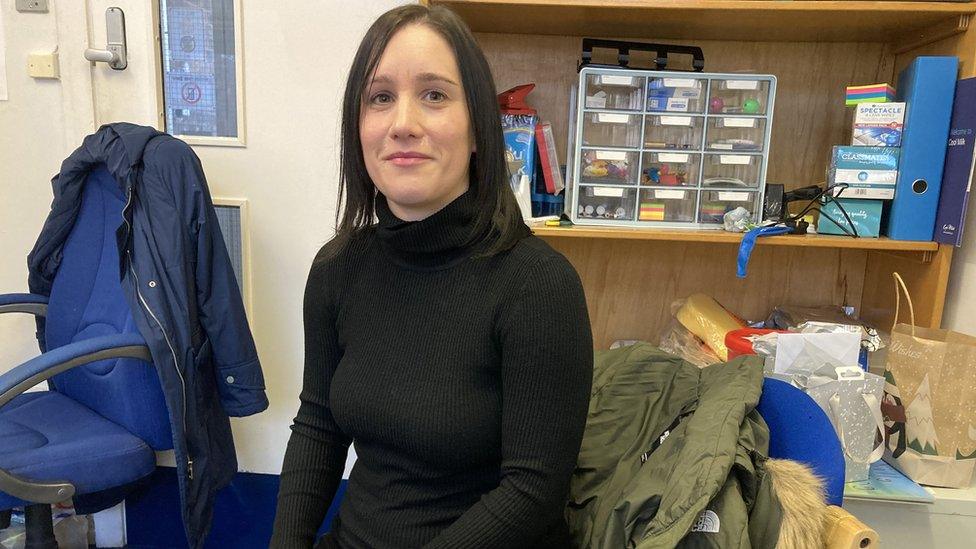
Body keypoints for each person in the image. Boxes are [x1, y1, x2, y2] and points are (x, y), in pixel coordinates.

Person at [270, 4, 593, 548]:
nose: (403, 124)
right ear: (359, 126)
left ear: (476, 130)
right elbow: (320, 425)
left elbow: (533, 489)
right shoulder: (337, 268)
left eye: (435, 95)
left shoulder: (538, 285)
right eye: (380, 97)